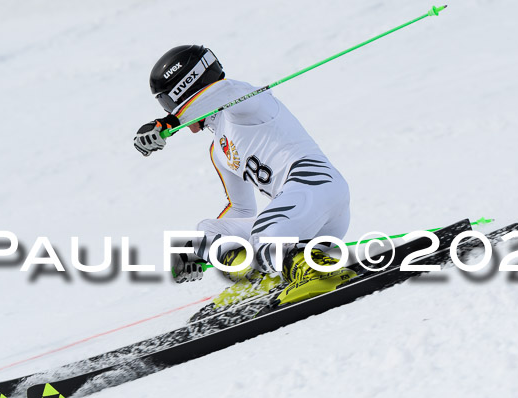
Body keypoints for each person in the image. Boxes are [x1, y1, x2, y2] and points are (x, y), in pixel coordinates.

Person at [134, 45, 355, 305]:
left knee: (264, 235)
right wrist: (195, 252)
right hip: (296, 221)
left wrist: (169, 123)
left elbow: (224, 90)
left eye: (169, 103)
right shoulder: (219, 150)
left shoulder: (246, 104)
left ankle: (318, 272)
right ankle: (262, 280)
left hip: (318, 189)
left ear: (187, 88)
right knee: (207, 233)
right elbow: (241, 209)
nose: (170, 111)